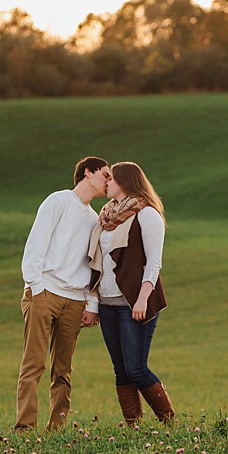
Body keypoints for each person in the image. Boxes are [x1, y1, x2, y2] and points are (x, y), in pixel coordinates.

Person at [15, 156, 110, 431]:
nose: (108, 181)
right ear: (87, 172)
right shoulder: (57, 201)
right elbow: (36, 245)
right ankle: (25, 427)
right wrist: (37, 287)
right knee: (33, 364)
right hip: (45, 293)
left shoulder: (95, 219)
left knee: (63, 370)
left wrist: (91, 303)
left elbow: (93, 265)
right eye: (105, 174)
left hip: (75, 301)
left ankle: (57, 427)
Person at [88, 161, 175, 425]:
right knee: (120, 370)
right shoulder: (106, 215)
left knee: (136, 368)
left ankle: (168, 420)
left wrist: (142, 298)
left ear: (125, 182)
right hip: (107, 302)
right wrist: (93, 302)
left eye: (111, 179)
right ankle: (132, 426)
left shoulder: (146, 214)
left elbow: (154, 262)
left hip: (134, 303)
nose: (107, 183)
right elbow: (98, 262)